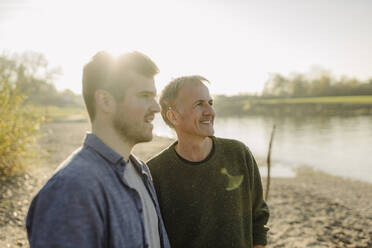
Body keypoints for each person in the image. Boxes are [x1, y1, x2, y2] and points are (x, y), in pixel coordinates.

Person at [26, 51, 170, 248]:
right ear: (105, 101)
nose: (156, 108)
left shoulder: (141, 171)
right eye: (144, 96)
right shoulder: (72, 189)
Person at [148, 75, 269, 248]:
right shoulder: (154, 173)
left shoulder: (238, 153)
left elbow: (258, 217)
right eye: (199, 104)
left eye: (210, 103)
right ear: (174, 116)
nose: (210, 112)